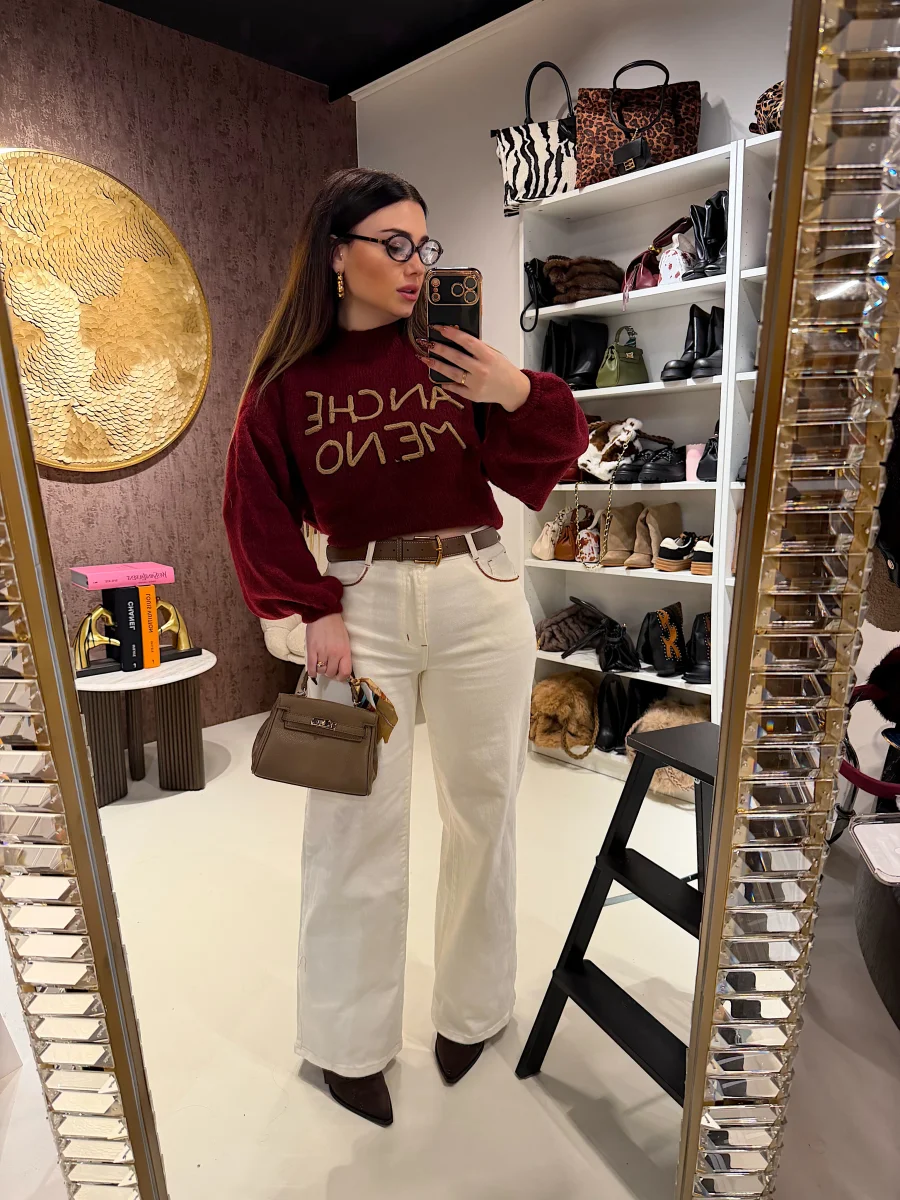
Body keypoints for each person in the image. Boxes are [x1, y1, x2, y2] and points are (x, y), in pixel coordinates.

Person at [223, 167, 588, 1127]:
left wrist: (514, 388)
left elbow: (557, 447)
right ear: (335, 255)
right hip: (363, 603)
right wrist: (312, 609)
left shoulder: (449, 352)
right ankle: (347, 1042)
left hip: (480, 591)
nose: (415, 263)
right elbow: (252, 508)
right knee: (352, 828)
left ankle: (473, 1008)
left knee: (485, 810)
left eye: (422, 245)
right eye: (392, 244)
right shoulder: (287, 384)